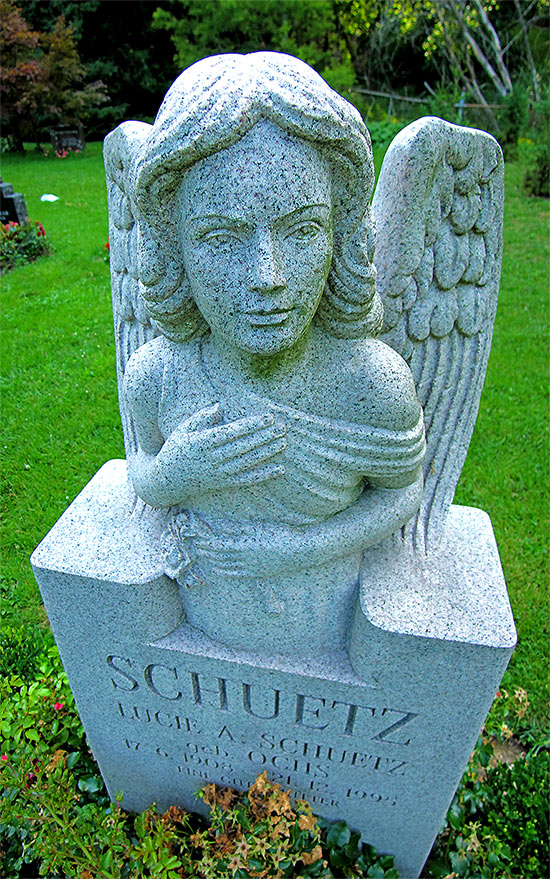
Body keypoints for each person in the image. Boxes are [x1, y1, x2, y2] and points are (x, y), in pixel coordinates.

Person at [123, 53, 425, 656]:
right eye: (220, 236)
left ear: (342, 234)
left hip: (324, 621)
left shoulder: (372, 385)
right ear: (172, 245)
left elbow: (403, 493)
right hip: (203, 622)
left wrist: (290, 550)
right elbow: (141, 469)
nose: (269, 277)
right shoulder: (156, 377)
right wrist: (172, 475)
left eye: (302, 230)